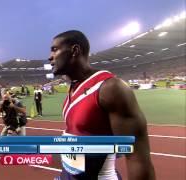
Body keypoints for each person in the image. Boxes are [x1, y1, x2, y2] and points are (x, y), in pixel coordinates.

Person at [48, 30, 155, 180]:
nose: (50, 57)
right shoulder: (73, 89)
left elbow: (138, 160)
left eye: (55, 49)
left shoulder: (110, 88)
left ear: (74, 50)